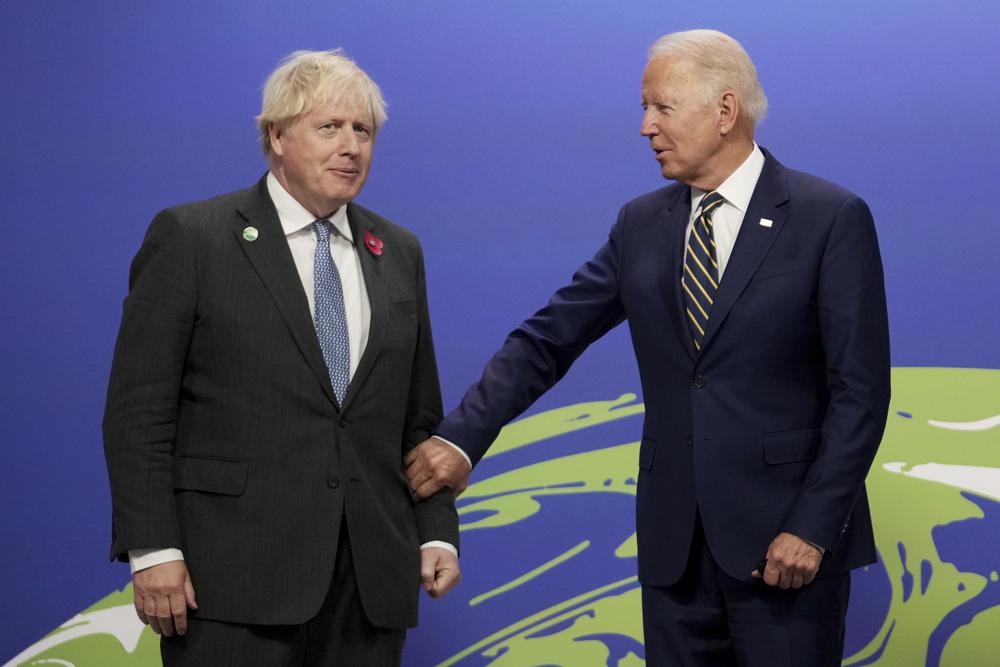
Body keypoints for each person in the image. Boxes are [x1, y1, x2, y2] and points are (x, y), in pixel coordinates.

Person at [405, 29, 889, 666]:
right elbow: (548, 339)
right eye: (645, 108)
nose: (645, 127)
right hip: (675, 557)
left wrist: (812, 528)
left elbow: (861, 393)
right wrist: (462, 438)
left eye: (662, 107)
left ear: (725, 110)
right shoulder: (641, 224)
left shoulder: (828, 216)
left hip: (787, 552)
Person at [103, 49, 459, 666]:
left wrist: (436, 532)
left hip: (369, 587)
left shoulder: (399, 251)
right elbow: (139, 413)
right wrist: (153, 549)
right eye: (329, 127)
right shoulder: (193, 238)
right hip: (229, 584)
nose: (350, 147)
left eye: (363, 130)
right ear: (276, 136)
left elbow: (418, 417)